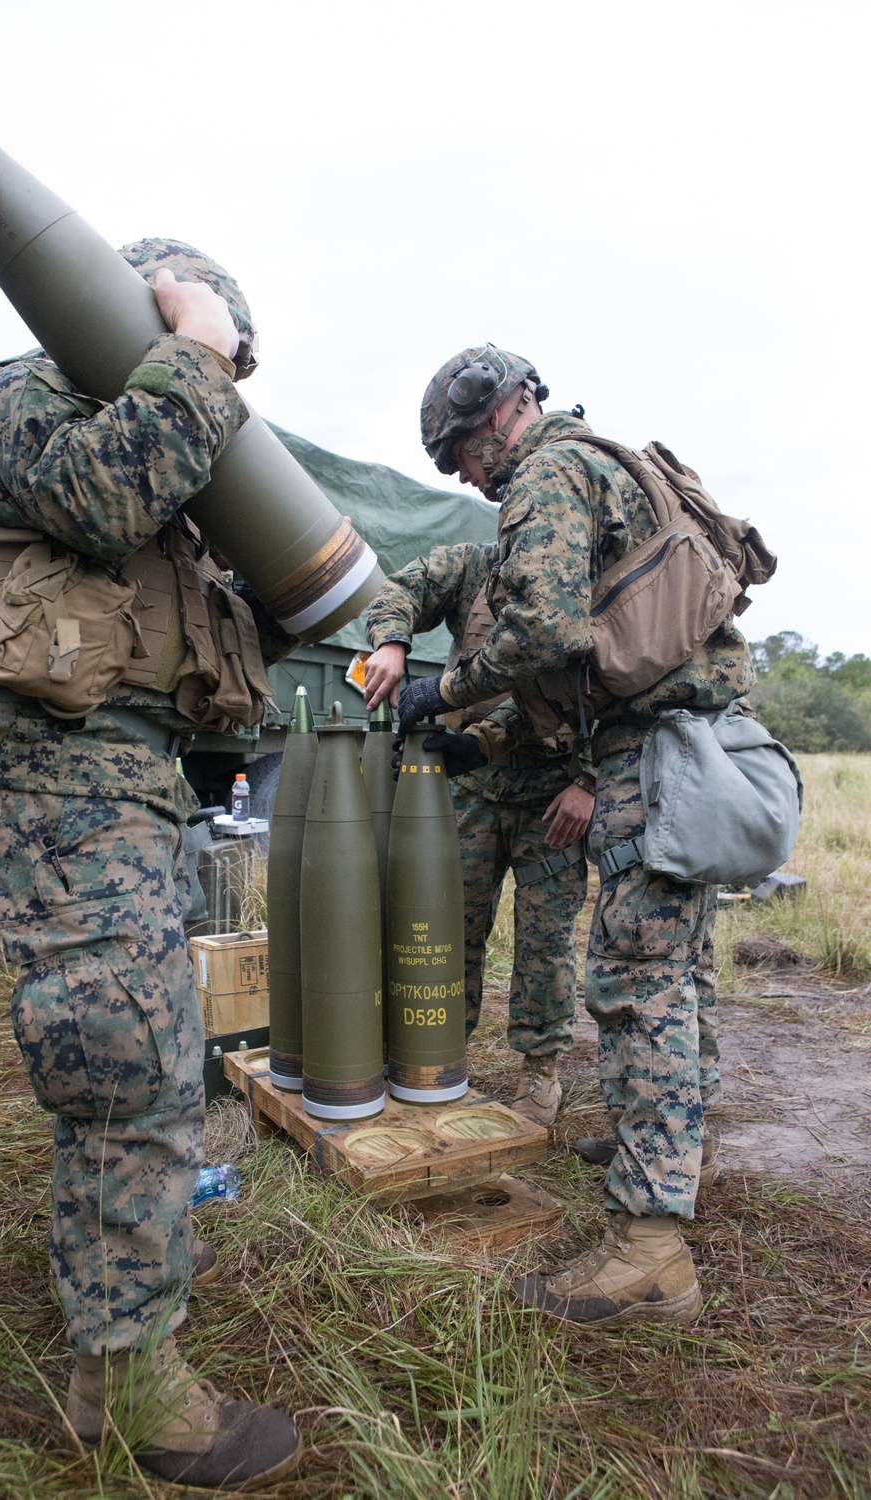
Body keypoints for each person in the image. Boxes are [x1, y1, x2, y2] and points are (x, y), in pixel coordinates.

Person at [0, 241, 301, 1487]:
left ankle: (115, 1338)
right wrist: (197, 351)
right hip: (57, 776)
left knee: (134, 1057)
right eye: (212, 347)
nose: (221, 381)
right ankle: (130, 1388)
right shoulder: (33, 393)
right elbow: (99, 499)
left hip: (109, 779)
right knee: (132, 1069)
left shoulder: (152, 437)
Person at [400, 344, 753, 1328]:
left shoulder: (549, 471)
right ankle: (665, 1145)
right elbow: (591, 658)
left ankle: (648, 1256)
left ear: (500, 416)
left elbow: (541, 635)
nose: (466, 476)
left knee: (634, 986)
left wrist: (447, 691)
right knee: (673, 973)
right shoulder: (609, 461)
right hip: (691, 745)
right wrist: (500, 738)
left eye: (461, 453)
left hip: (652, 758)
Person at [362, 541, 594, 1124]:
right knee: (448, 927)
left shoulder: (576, 580)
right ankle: (439, 1052)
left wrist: (589, 782)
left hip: (553, 796)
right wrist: (392, 641)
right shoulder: (471, 566)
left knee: (546, 940)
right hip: (470, 786)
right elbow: (400, 587)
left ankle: (540, 1072)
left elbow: (607, 693)